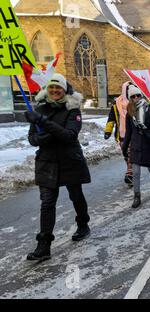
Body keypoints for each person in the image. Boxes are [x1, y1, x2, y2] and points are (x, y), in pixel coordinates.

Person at [24, 74, 92, 262]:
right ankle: (44, 245)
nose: (55, 91)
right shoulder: (40, 109)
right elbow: (32, 138)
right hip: (47, 162)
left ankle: (83, 224)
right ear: (47, 89)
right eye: (52, 87)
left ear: (64, 90)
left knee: (76, 196)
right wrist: (41, 138)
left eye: (59, 88)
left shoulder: (73, 109)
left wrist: (43, 123)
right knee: (47, 203)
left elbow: (69, 135)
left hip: (69, 160)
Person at [121, 86, 150, 208]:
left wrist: (149, 124)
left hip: (148, 145)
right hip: (136, 147)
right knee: (135, 173)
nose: (136, 98)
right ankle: (137, 196)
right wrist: (124, 146)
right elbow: (129, 132)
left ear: (141, 96)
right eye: (133, 96)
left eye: (138, 95)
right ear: (130, 98)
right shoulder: (130, 112)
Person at [104, 81, 134, 186]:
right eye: (127, 89)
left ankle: (129, 174)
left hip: (134, 134)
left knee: (131, 153)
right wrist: (108, 131)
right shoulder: (116, 105)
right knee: (126, 154)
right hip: (121, 135)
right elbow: (111, 119)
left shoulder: (136, 102)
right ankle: (131, 172)